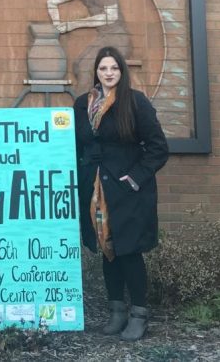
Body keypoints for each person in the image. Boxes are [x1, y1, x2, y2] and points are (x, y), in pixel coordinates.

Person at [73, 46, 168, 341]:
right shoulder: (81, 104)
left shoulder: (135, 102)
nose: (109, 73)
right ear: (96, 72)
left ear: (122, 71)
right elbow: (76, 146)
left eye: (114, 68)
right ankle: (117, 311)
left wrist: (135, 178)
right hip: (95, 190)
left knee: (128, 251)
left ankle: (139, 314)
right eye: (103, 68)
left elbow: (158, 148)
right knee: (108, 251)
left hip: (127, 190)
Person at [47, 0, 132, 93]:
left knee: (85, 67)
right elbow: (51, 2)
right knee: (77, 65)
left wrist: (73, 25)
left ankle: (84, 109)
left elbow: (110, 16)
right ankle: (94, 101)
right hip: (104, 38)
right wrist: (57, 23)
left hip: (118, 37)